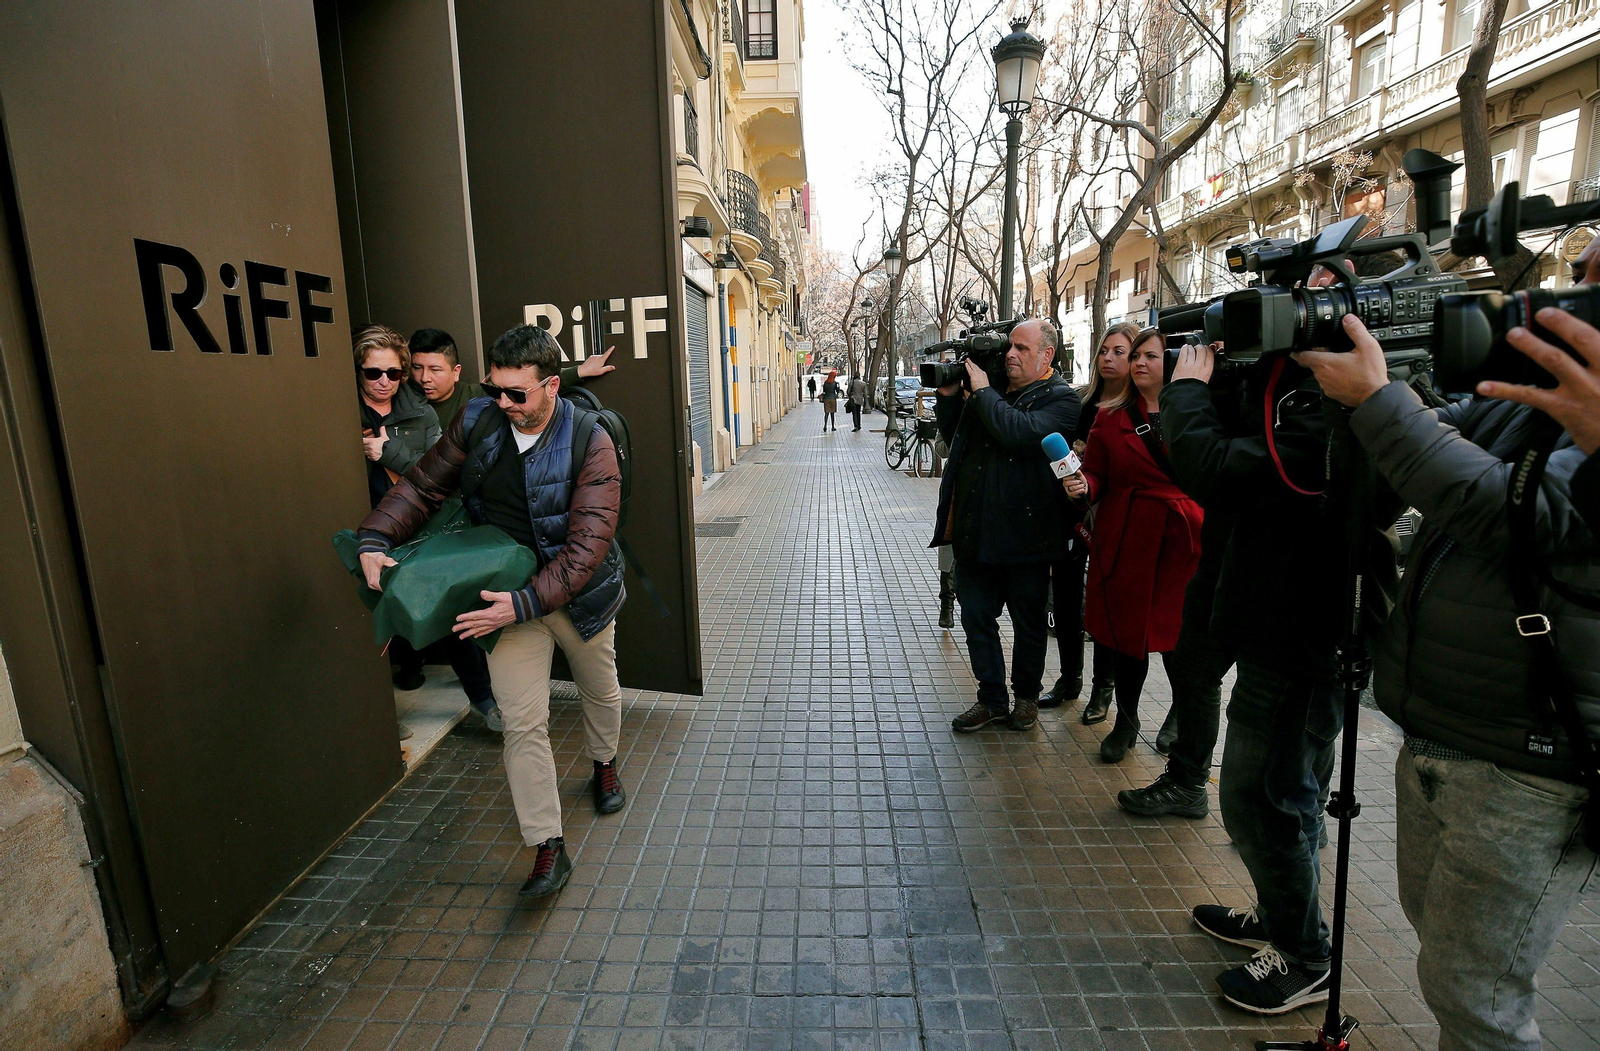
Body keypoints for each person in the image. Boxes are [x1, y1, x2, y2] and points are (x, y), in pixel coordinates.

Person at [1293, 274, 1600, 1051]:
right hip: (1439, 730)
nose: (1575, 298)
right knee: (1447, 961)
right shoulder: (1526, 396)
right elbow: (1410, 459)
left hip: (1529, 759)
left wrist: (1378, 400)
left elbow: (1506, 512)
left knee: (1477, 996)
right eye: (1584, 276)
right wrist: (1354, 388)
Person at [1160, 335, 1401, 1014]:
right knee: (1291, 794)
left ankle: (1303, 954)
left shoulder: (1341, 410)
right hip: (1280, 625)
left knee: (1261, 800)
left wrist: (1186, 392)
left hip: (1304, 635)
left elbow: (1215, 467)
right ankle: (1281, 918)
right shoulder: (1305, 397)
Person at [356, 324, 629, 900]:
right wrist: (375, 537)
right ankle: (547, 845)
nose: (502, 403)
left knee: (599, 689)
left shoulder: (591, 439)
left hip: (576, 597)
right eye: (494, 389)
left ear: (551, 386)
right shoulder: (479, 420)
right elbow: (423, 486)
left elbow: (586, 548)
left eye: (516, 393)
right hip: (503, 600)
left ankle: (603, 761)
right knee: (523, 723)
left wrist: (522, 603)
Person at [1063, 328, 1203, 763]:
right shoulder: (1110, 415)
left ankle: (1180, 713)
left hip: (1183, 538)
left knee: (1177, 635)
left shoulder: (1199, 410)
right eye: (1136, 355)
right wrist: (1085, 485)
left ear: (1172, 362)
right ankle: (1126, 720)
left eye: (1150, 356)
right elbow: (1097, 471)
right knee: (1127, 636)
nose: (1140, 363)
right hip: (1127, 536)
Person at [933, 319, 1079, 734]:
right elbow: (956, 437)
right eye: (1009, 347)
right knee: (977, 620)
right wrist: (950, 397)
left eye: (1022, 349)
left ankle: (1026, 697)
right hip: (976, 530)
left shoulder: (1061, 399)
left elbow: (1018, 433)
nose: (1010, 355)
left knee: (1028, 624)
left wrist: (982, 392)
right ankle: (992, 699)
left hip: (1029, 536)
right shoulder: (994, 389)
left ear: (1047, 355)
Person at [1041, 323, 1137, 730]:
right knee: (1065, 600)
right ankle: (1069, 679)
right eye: (1104, 351)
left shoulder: (1142, 406)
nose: (1108, 358)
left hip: (1117, 521)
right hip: (1074, 514)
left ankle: (1103, 689)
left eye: (1119, 351)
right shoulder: (1084, 402)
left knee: (1105, 606)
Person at [412, 327, 617, 430]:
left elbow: (535, 382)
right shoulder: (403, 403)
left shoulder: (475, 401)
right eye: (417, 368)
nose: (424, 378)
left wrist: (579, 372)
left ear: (456, 371)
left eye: (435, 370)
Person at [357, 325, 440, 514]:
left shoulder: (423, 413)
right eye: (373, 373)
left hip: (407, 518)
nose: (384, 382)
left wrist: (389, 452)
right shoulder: (341, 414)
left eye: (393, 373)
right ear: (358, 372)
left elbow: (439, 475)